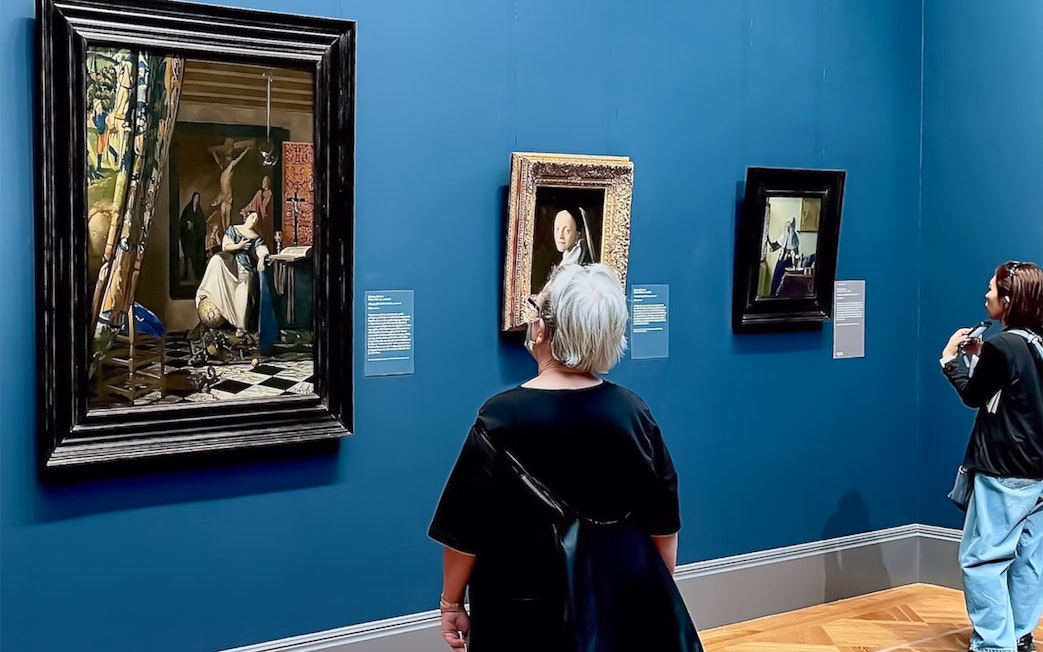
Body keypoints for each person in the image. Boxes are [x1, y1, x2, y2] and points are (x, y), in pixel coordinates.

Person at [429, 263, 685, 652]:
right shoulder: (633, 413)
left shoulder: (501, 417)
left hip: (519, 615)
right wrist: (650, 599)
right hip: (609, 611)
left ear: (542, 331)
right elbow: (663, 524)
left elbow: (464, 531)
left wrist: (451, 603)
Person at [940, 260, 1043, 652]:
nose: (986, 295)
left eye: (992, 289)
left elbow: (974, 396)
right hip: (1038, 473)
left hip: (1005, 471)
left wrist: (950, 361)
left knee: (982, 560)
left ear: (1009, 299)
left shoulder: (1003, 345)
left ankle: (994, 645)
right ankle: (1019, 636)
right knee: (1029, 558)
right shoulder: (1034, 343)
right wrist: (982, 357)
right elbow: (1017, 388)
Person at [195, 210, 270, 336]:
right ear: (246, 218)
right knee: (216, 260)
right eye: (252, 217)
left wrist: (262, 257)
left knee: (244, 291)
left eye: (256, 219)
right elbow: (225, 246)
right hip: (230, 262)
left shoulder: (255, 237)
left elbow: (261, 249)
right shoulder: (234, 230)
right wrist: (239, 246)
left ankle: (240, 326)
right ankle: (205, 291)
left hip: (245, 266)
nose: (254, 220)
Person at [179, 192, 206, 282]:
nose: (197, 200)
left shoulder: (199, 211)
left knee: (197, 257)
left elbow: (202, 225)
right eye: (195, 198)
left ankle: (198, 275)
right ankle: (185, 275)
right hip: (187, 239)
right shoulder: (187, 209)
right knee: (187, 258)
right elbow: (182, 221)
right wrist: (187, 224)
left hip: (196, 240)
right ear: (193, 198)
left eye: (198, 199)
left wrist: (195, 226)